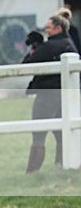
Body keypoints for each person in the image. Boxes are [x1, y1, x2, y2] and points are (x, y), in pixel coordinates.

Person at [22, 14, 77, 172]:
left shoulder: (52, 45)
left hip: (47, 94)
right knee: (62, 134)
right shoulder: (68, 43)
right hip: (65, 95)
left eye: (48, 28)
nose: (46, 31)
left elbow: (27, 65)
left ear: (58, 28)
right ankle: (61, 167)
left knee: (38, 133)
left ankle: (32, 172)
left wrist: (34, 49)